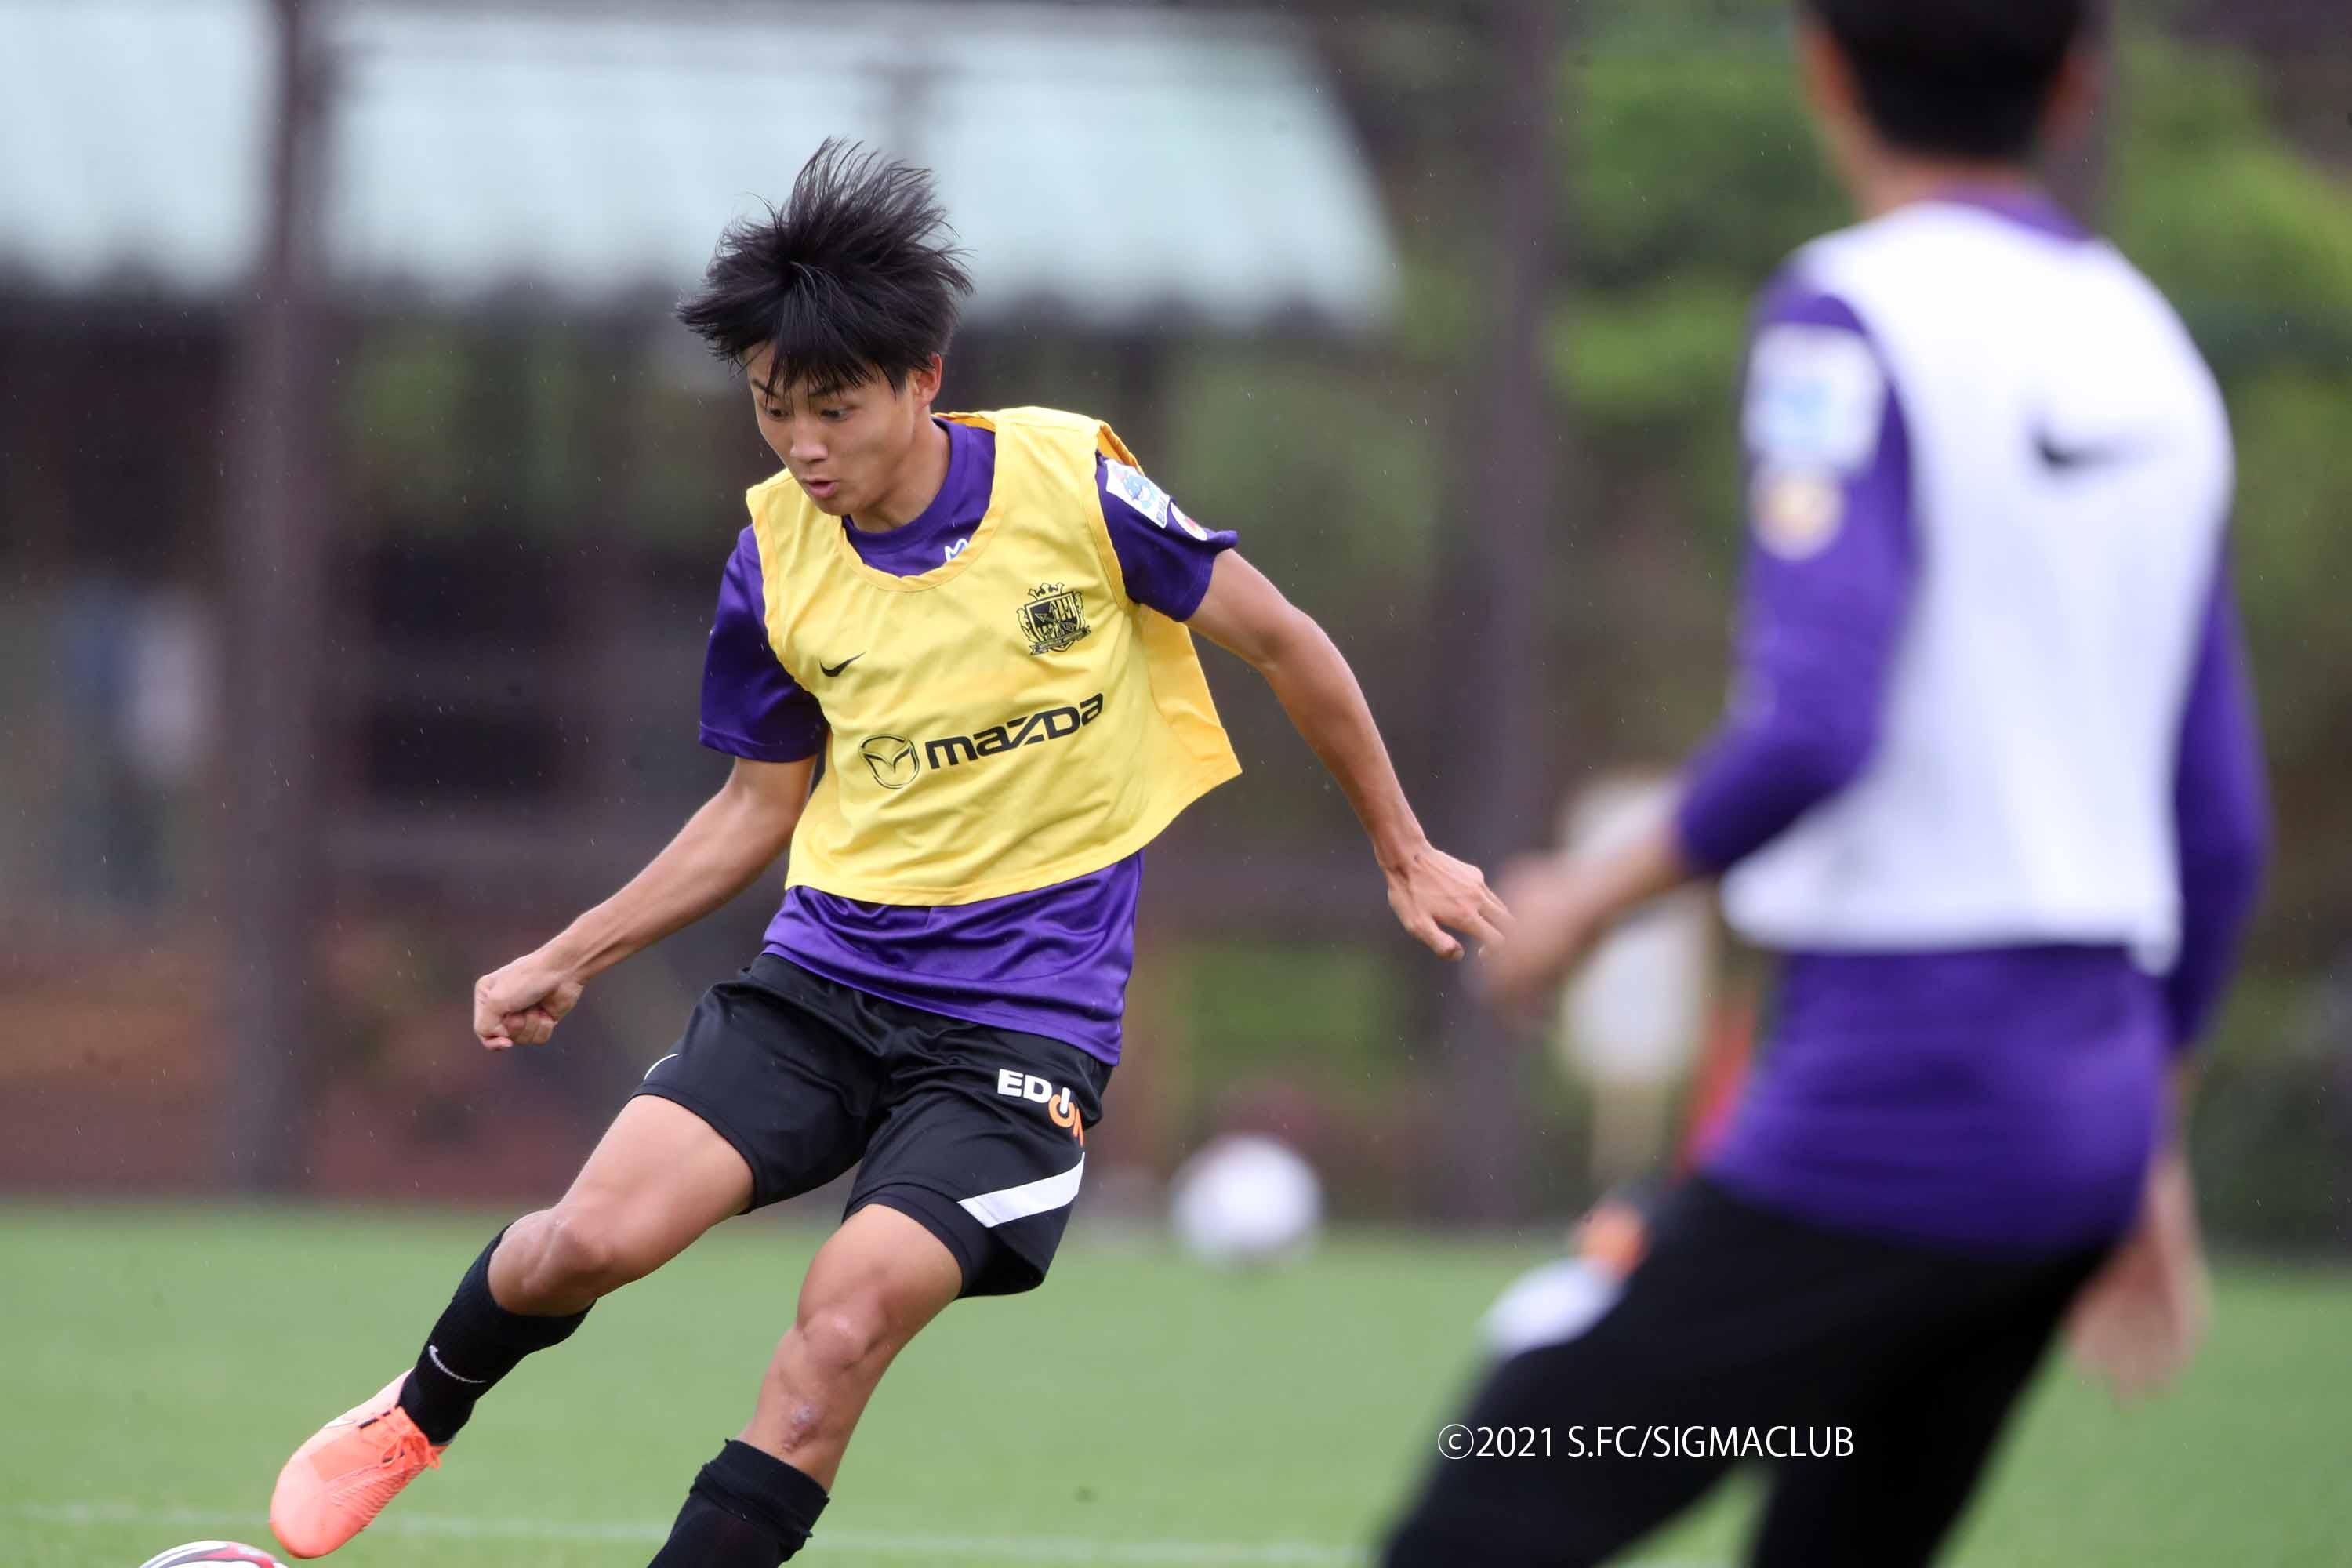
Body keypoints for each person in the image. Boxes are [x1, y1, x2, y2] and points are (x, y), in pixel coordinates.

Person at [268, 140, 1507, 1566]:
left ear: (924, 377)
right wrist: (567, 953)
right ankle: (416, 1414)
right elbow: (754, 808)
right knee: (583, 1244)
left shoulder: (1072, 487)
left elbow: (1287, 642)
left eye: (835, 410)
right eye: (770, 410)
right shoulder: (777, 556)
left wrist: (1402, 850)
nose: (803, 446)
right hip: (821, 989)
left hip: (1016, 1038)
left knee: (841, 1322)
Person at [1381, 2, 2268, 1563]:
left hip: (1901, 1098)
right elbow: (2219, 819)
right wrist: (2147, 1130)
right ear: (2075, 80)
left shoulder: (1845, 316)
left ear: (1820, 70)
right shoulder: (2153, 346)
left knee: (1501, 1501)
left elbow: (1817, 723)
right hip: (2073, 1122)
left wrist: (1588, 899)